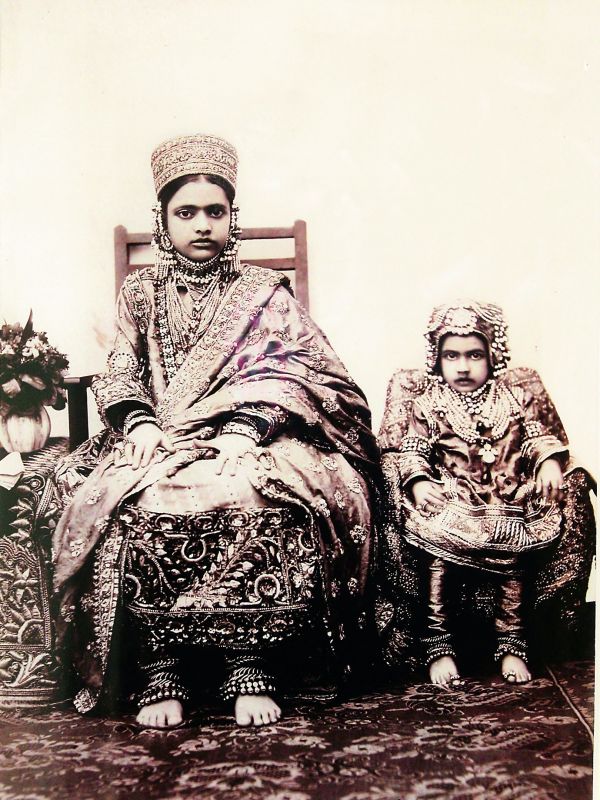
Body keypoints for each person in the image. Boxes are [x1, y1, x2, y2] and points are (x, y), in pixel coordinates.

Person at [52, 134, 379, 729]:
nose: (202, 225)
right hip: (162, 436)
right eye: (186, 213)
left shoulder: (260, 291)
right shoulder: (141, 291)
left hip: (252, 435)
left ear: (232, 217)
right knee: (136, 503)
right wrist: (140, 421)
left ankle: (247, 661)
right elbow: (123, 365)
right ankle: (162, 666)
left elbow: (299, 368)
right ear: (163, 219)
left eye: (216, 212)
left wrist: (246, 430)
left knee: (258, 495)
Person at [379, 300, 571, 687]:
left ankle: (511, 643)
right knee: (440, 560)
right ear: (437, 358)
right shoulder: (429, 403)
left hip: (506, 498)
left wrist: (549, 462)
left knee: (512, 562)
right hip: (453, 499)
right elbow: (413, 449)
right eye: (452, 355)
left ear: (492, 356)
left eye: (474, 355)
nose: (463, 366)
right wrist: (418, 482)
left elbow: (536, 438)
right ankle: (440, 645)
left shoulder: (513, 398)